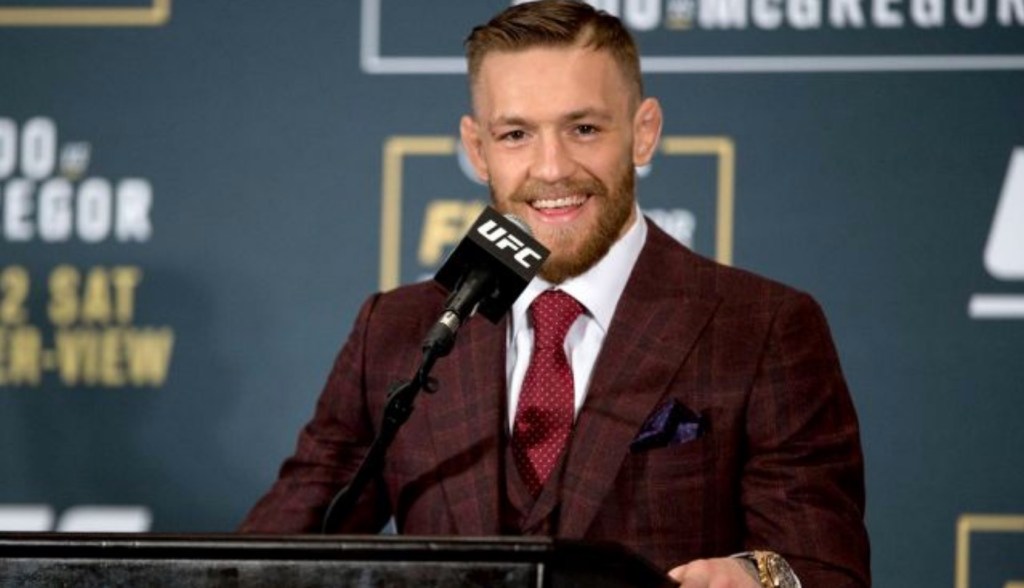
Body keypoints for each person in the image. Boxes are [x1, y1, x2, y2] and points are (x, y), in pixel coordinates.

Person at [240, 1, 870, 586]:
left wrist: (760, 579)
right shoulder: (397, 330)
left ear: (644, 132)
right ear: (477, 149)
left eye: (584, 128)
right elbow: (266, 559)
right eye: (516, 135)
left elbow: (824, 567)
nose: (551, 168)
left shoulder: (762, 327)